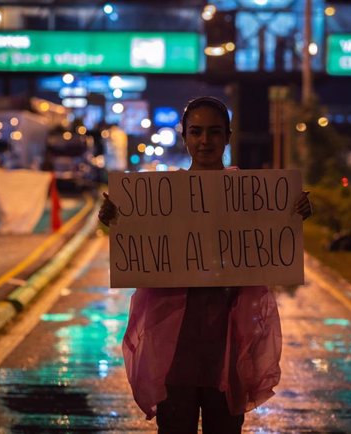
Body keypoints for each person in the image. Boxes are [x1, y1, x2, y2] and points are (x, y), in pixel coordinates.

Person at [98, 96, 312, 433]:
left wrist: (292, 211)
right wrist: (115, 219)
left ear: (227, 136)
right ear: (184, 137)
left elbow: (269, 237)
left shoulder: (249, 194)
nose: (205, 141)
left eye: (214, 132)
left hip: (226, 342)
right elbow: (141, 247)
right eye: (196, 132)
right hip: (175, 341)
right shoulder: (163, 197)